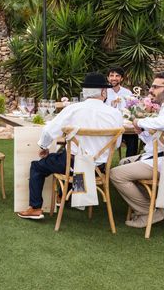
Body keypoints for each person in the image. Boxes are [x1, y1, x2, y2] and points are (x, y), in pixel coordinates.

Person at [17, 72, 123, 220]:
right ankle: (71, 196)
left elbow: (48, 131)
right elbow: (116, 144)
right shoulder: (115, 114)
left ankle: (35, 208)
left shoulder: (74, 109)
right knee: (63, 156)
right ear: (103, 92)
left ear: (85, 92)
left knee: (37, 166)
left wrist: (44, 147)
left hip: (74, 166)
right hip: (99, 169)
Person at [110, 72, 164, 228]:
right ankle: (154, 204)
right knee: (123, 162)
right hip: (162, 155)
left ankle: (148, 211)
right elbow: (160, 139)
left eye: (155, 87)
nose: (151, 90)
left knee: (116, 174)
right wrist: (142, 132)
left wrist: (139, 121)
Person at [106, 66, 138, 156]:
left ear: (121, 78)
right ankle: (102, 164)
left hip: (124, 126)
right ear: (108, 78)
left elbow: (132, 109)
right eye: (111, 76)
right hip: (108, 125)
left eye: (117, 76)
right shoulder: (104, 92)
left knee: (133, 137)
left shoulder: (127, 93)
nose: (114, 78)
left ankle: (129, 163)